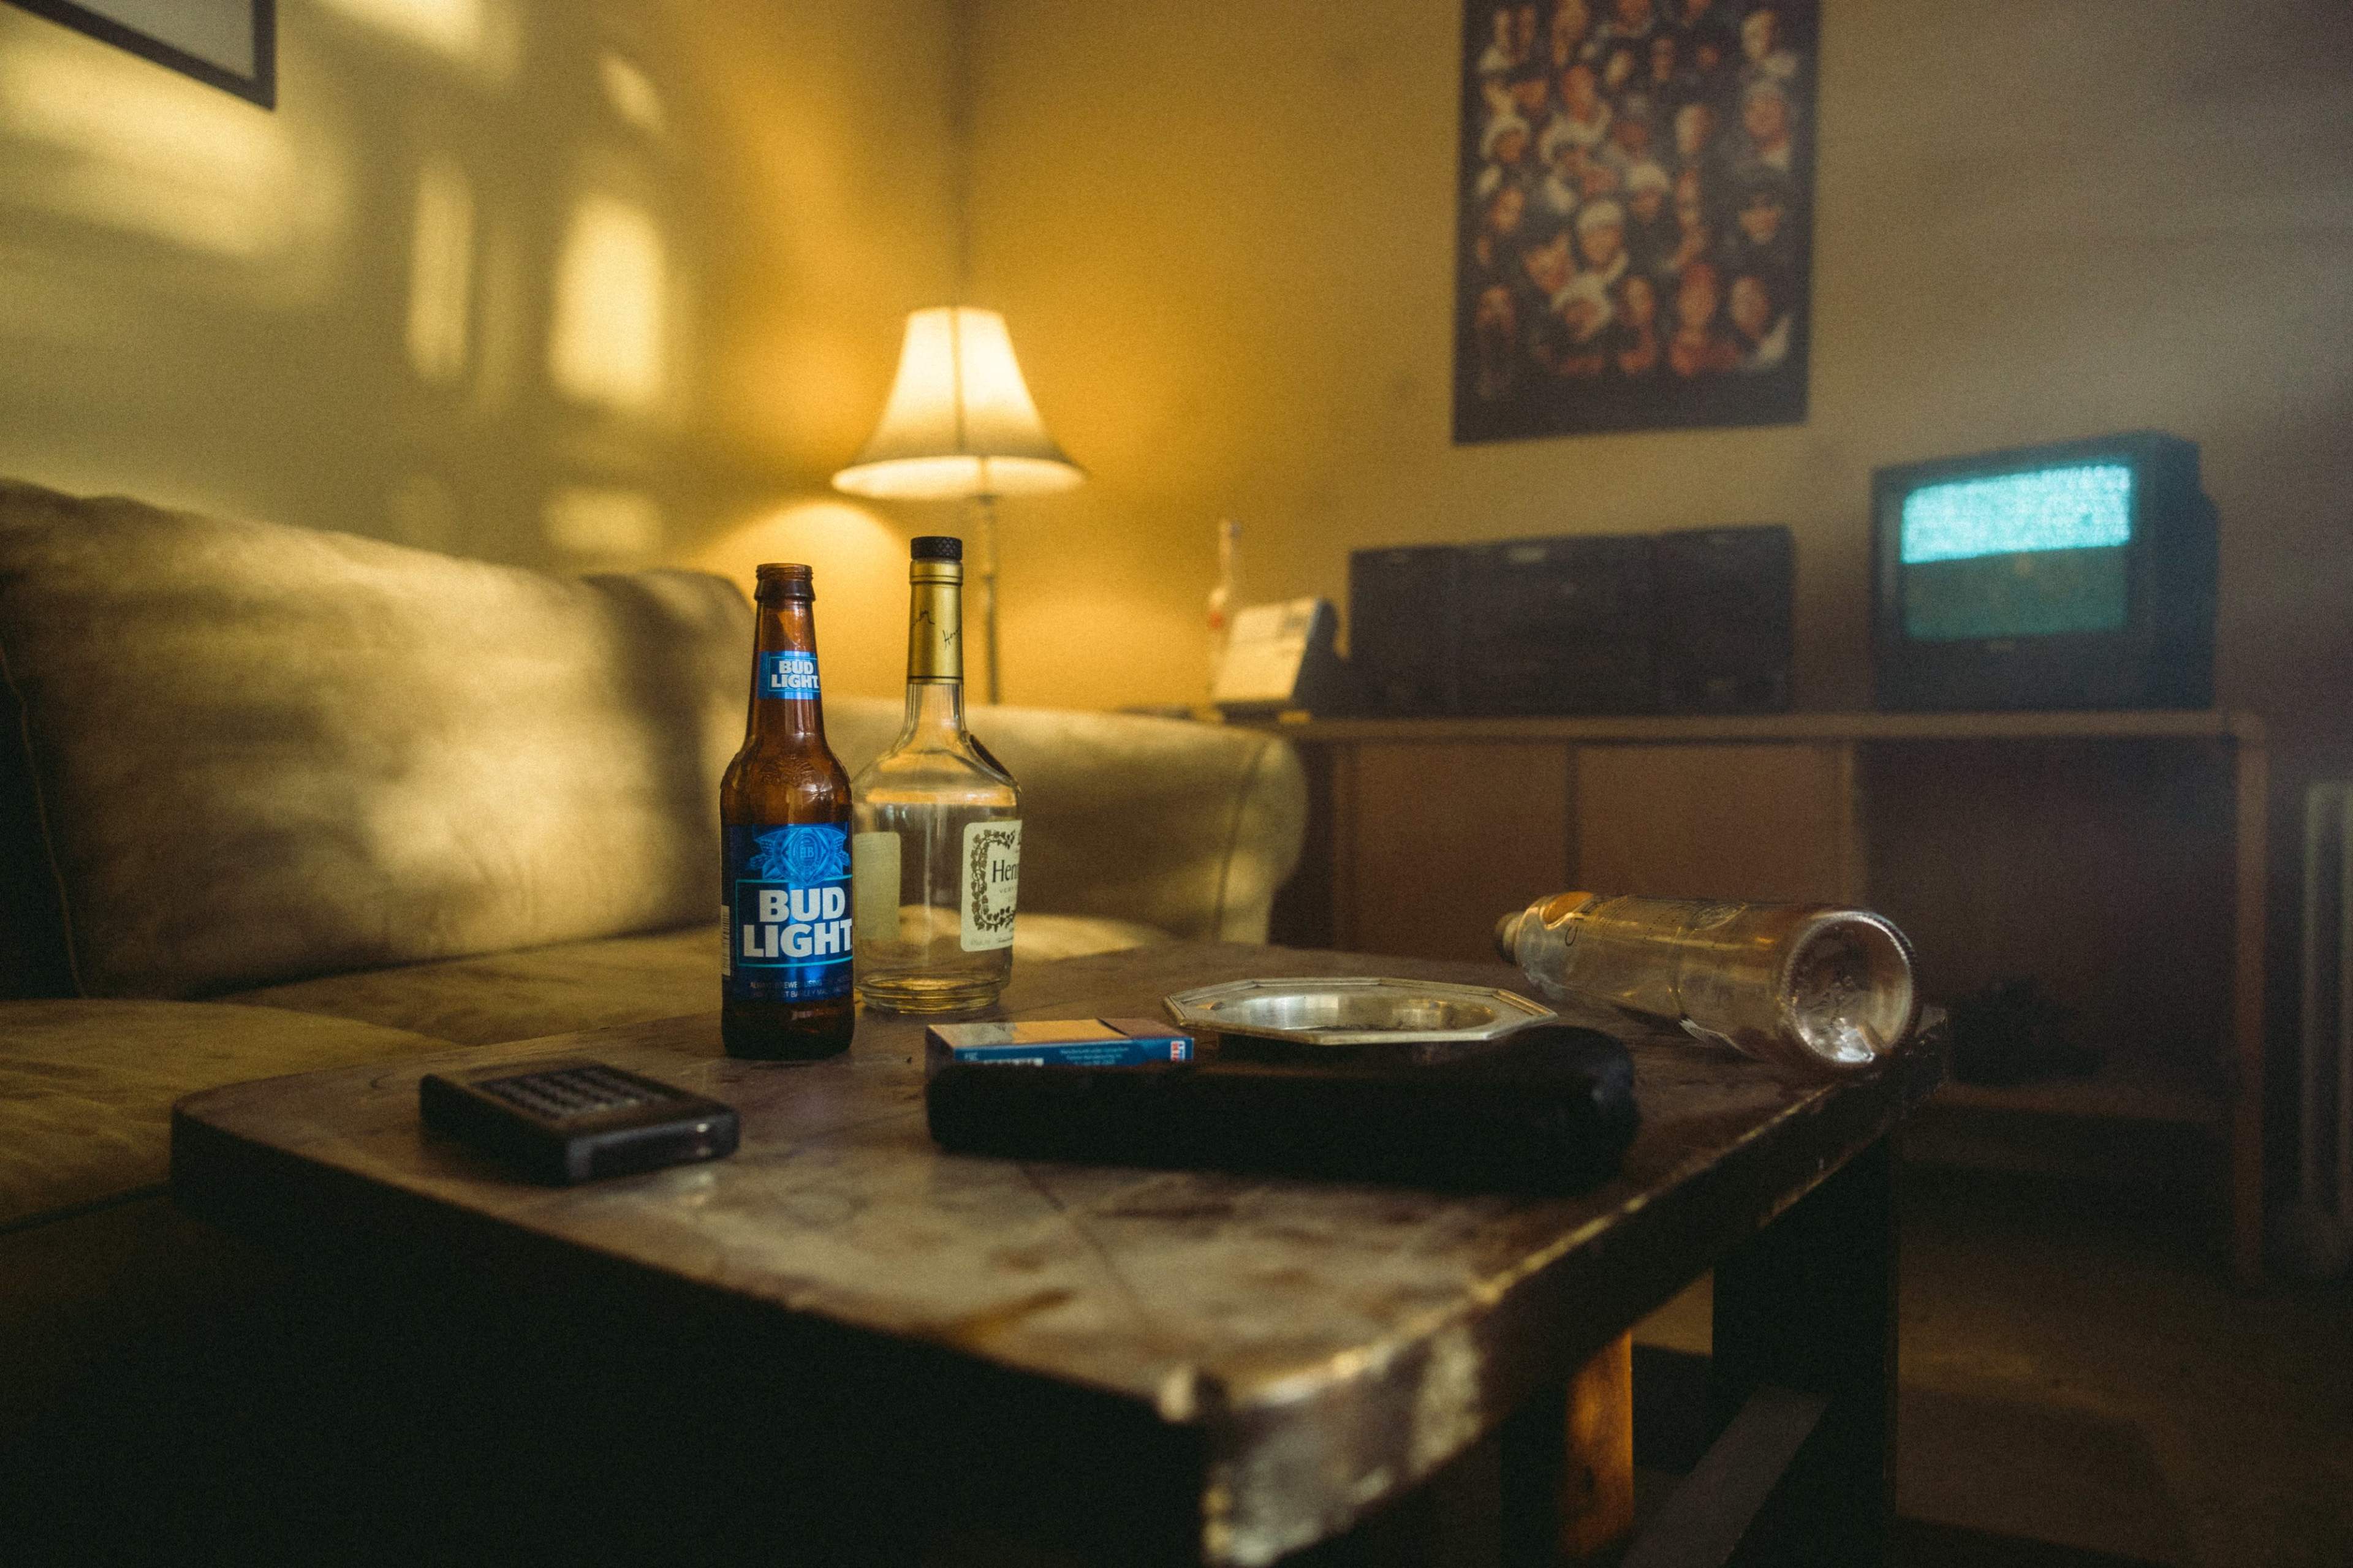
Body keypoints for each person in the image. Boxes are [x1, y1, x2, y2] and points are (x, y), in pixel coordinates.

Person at [1669, 260, 1740, 376]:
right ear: (1678, 300)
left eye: (1707, 297)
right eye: (1692, 296)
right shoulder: (1662, 350)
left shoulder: (1727, 352)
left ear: (1717, 304)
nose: (1699, 305)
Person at [1727, 271, 1790, 371]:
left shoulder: (1787, 331)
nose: (1749, 305)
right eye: (1740, 300)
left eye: (1754, 294)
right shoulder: (1735, 356)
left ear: (1768, 298)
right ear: (1732, 311)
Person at [1621, 161, 1676, 272]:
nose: (1645, 201)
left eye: (1650, 194)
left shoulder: (1672, 227)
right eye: (1639, 195)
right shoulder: (1628, 233)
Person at [1735, 76, 1797, 173]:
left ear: (1788, 112)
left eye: (1769, 103)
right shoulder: (1739, 164)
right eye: (1751, 108)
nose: (1761, 114)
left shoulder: (1805, 157)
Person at [1611, 271, 1663, 376]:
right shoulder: (1610, 347)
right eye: (1626, 298)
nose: (1632, 306)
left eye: (1640, 298)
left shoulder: (1666, 339)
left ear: (1654, 301)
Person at [1574, 198, 1630, 292]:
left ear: (1620, 235)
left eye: (1605, 233)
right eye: (1590, 236)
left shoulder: (1636, 275)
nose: (1598, 243)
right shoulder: (1579, 284)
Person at [1738, 6, 1801, 87]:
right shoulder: (1747, 72)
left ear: (1776, 35)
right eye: (1745, 38)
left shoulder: (1793, 69)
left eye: (1754, 35)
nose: (1745, 44)